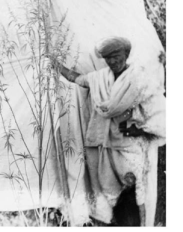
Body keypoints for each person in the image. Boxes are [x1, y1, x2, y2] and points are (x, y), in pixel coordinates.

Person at [55, 36, 165, 226]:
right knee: (109, 195)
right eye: (108, 58)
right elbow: (75, 78)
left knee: (133, 190)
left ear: (126, 54)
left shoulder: (139, 78)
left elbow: (159, 111)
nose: (113, 61)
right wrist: (55, 64)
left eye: (117, 56)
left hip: (130, 148)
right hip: (105, 147)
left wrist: (138, 129)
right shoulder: (100, 78)